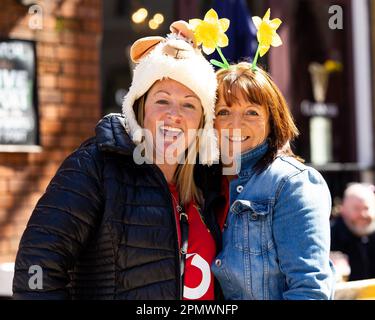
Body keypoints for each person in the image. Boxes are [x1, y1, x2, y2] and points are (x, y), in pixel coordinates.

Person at [12, 20, 224, 300]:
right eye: (162, 101)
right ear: (140, 107)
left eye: (189, 104)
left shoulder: (208, 182)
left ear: (202, 121)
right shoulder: (96, 166)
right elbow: (37, 267)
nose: (175, 115)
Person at [210, 62, 335, 300]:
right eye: (224, 111)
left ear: (272, 121)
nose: (236, 123)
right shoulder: (202, 183)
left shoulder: (293, 184)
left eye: (252, 112)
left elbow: (310, 291)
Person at [330, 183, 375, 281]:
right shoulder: (328, 237)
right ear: (343, 210)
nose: (363, 214)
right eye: (356, 209)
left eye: (366, 208)